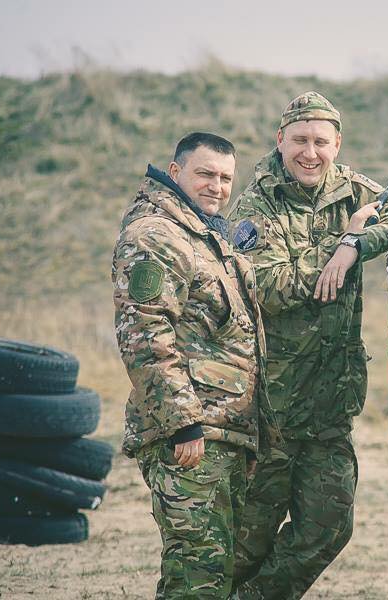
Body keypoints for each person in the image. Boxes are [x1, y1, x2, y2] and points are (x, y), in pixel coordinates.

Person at [228, 91, 388, 599]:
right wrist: (337, 246)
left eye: (321, 142)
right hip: (271, 407)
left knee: (329, 525)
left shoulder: (355, 192)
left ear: (337, 144)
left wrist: (355, 244)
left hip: (331, 400)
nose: (310, 153)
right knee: (247, 541)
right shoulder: (256, 203)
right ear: (280, 140)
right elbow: (267, 285)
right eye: (299, 140)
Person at [112, 132, 266, 599]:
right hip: (190, 440)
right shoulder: (155, 236)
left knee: (210, 574)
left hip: (223, 435)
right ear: (175, 172)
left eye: (225, 178)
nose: (216, 186)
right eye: (205, 174)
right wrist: (183, 424)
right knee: (197, 576)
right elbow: (144, 337)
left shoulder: (204, 235)